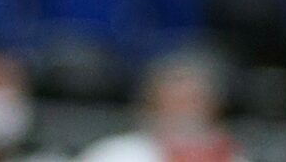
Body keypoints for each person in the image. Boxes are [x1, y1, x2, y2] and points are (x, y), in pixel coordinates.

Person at [73, 55, 245, 162]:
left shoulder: (234, 157)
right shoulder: (117, 154)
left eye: (193, 100)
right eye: (176, 101)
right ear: (151, 105)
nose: (184, 112)